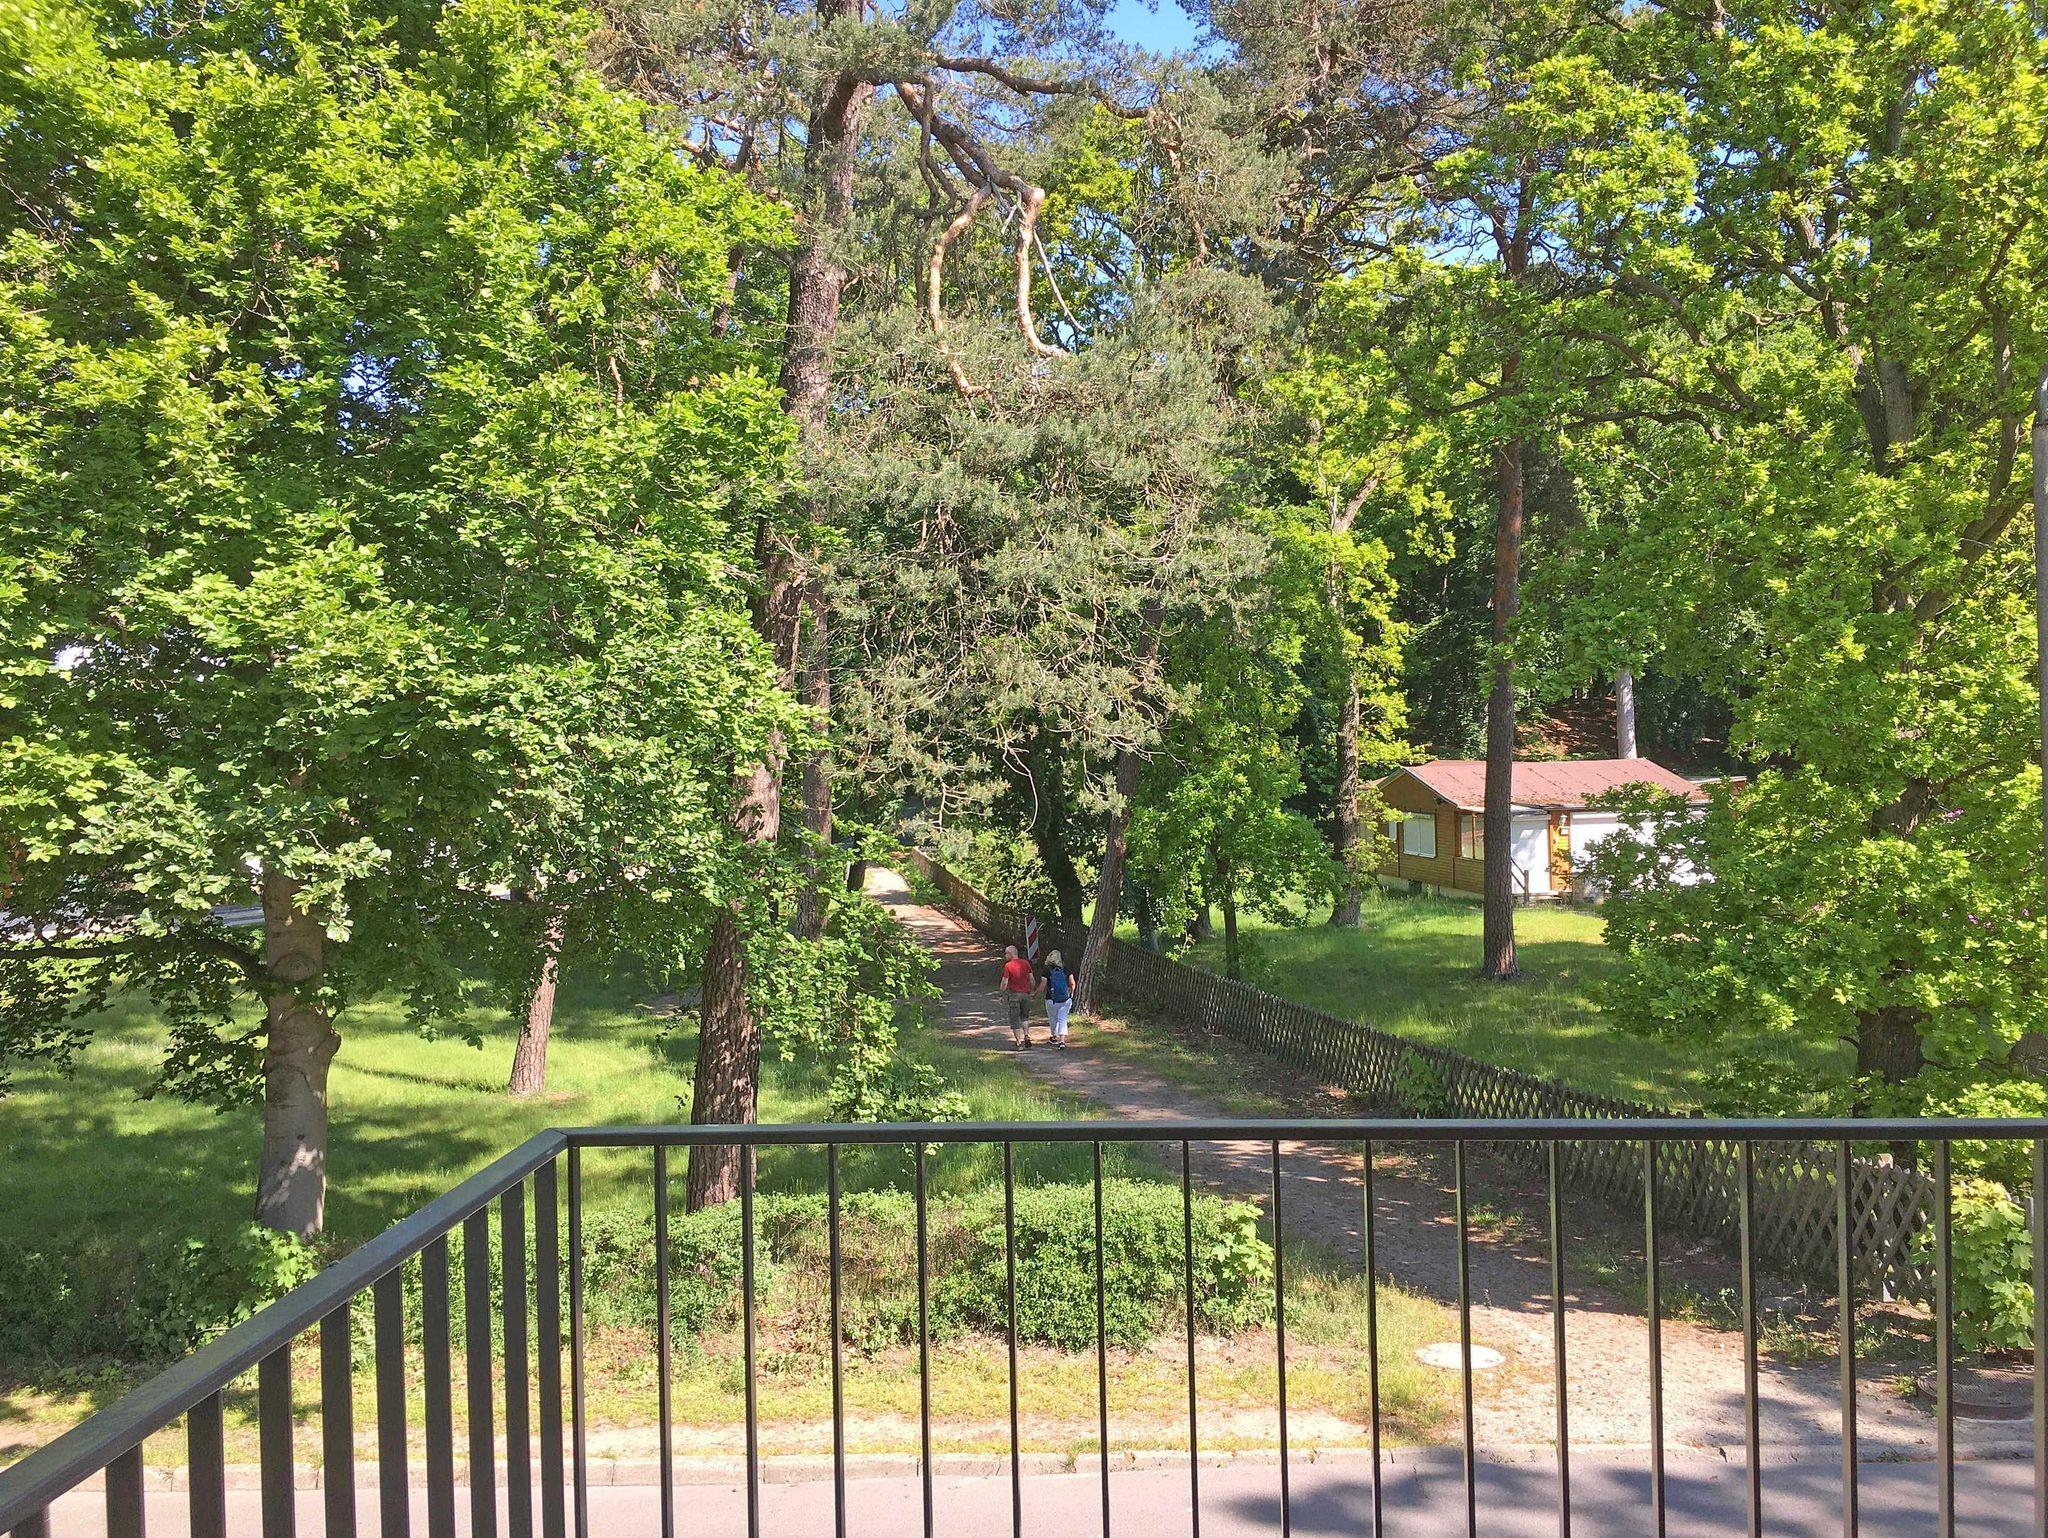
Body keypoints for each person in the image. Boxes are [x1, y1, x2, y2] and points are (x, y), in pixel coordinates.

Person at [998, 944, 1036, 1048]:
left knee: (1014, 1018)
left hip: (1014, 995)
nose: (1005, 955)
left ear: (1011, 954)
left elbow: (1004, 982)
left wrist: (1001, 994)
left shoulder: (1008, 966)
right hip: (1025, 994)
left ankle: (1019, 1042)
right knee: (1025, 1016)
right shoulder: (1026, 963)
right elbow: (1032, 979)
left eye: (1006, 953)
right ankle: (1026, 1035)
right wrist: (1032, 991)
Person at [1041, 949, 1074, 1050]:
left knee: (1053, 1018)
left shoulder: (1047, 971)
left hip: (1051, 999)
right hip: (1065, 999)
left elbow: (1042, 985)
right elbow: (1072, 983)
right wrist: (1071, 993)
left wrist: (1035, 994)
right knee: (1062, 1019)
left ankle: (1054, 1037)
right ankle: (1062, 1041)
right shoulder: (1066, 969)